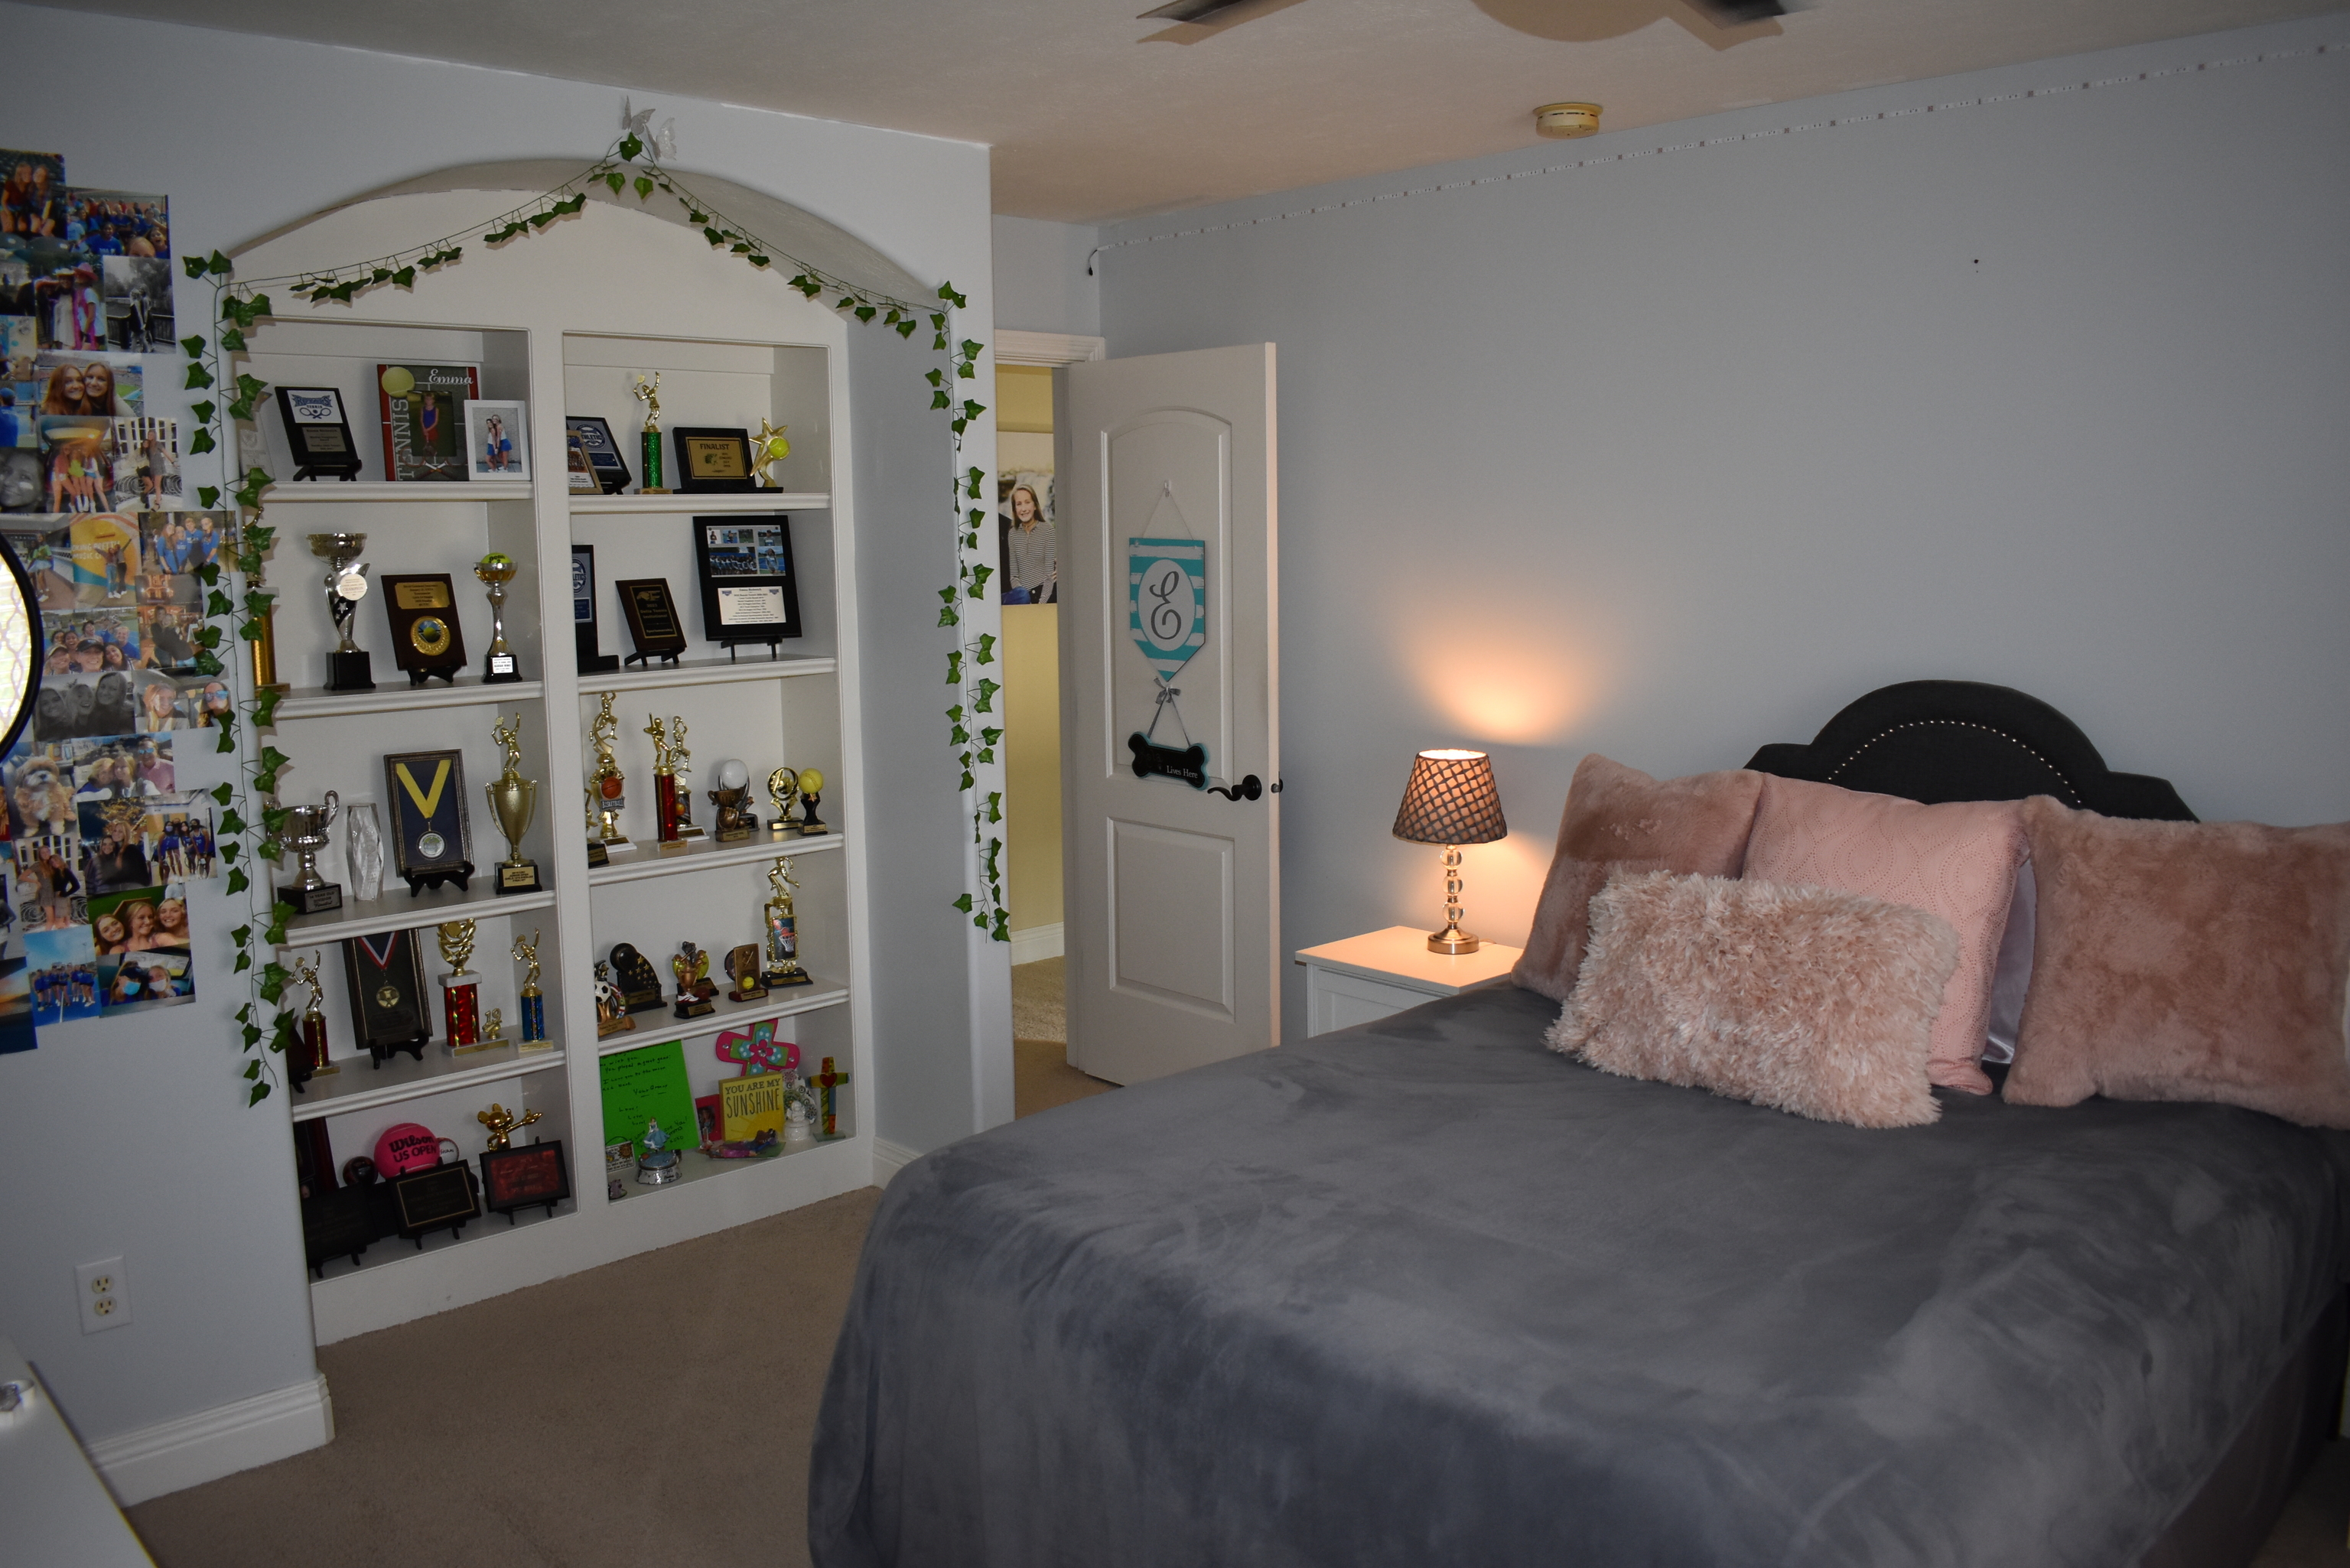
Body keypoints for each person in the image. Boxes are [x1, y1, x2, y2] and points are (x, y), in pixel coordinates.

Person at [999, 481, 1056, 603]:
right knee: (1021, 594)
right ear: (1014, 509)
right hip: (1023, 594)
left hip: (1044, 591)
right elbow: (1014, 576)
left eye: (1027, 502)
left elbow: (1049, 575)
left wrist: (1041, 603)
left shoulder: (1048, 531)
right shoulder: (1012, 533)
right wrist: (1026, 599)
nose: (1023, 509)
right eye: (1019, 504)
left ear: (1035, 505)